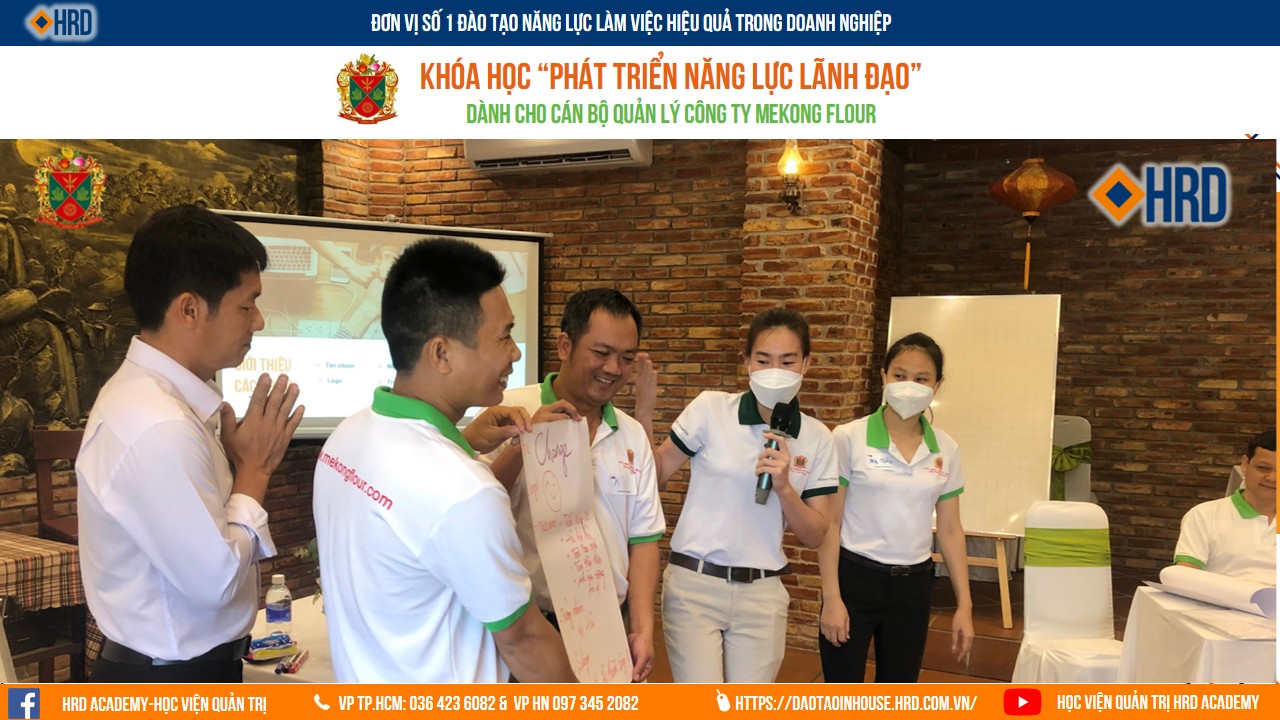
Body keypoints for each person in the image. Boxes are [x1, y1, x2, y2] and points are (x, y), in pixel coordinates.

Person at [312, 237, 577, 683]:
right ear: (441, 354)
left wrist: (466, 445)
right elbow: (524, 640)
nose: (515, 352)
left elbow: (429, 526)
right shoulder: (462, 490)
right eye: (504, 335)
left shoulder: (347, 437)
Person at [76, 204, 304, 682]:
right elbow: (215, 583)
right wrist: (254, 472)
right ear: (189, 309)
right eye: (247, 306)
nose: (259, 322)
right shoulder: (159, 423)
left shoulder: (155, 399)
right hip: (167, 681)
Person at [486, 288, 665, 682]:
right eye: (601, 353)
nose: (613, 369)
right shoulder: (509, 411)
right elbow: (478, 508)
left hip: (606, 625)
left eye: (627, 358)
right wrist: (525, 443)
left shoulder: (631, 435)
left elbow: (644, 539)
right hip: (526, 625)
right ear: (565, 345)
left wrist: (643, 628)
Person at [653, 307, 837, 683]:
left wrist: (784, 488)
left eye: (787, 361)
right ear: (747, 362)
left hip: (762, 593)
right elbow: (654, 475)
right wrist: (644, 410)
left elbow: (816, 534)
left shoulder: (817, 437)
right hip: (695, 584)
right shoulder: (711, 409)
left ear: (807, 364)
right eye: (763, 360)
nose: (775, 371)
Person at [818, 332, 974, 683]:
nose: (908, 386)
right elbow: (831, 522)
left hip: (913, 587)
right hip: (854, 578)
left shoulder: (946, 448)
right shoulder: (848, 437)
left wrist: (964, 605)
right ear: (883, 377)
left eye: (921, 379)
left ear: (937, 385)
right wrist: (831, 597)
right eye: (899, 375)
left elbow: (950, 530)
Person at [1174, 429, 1276, 585]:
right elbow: (1184, 577)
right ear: (1245, 464)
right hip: (1217, 599)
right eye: (1263, 468)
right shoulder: (1204, 515)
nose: (1272, 478)